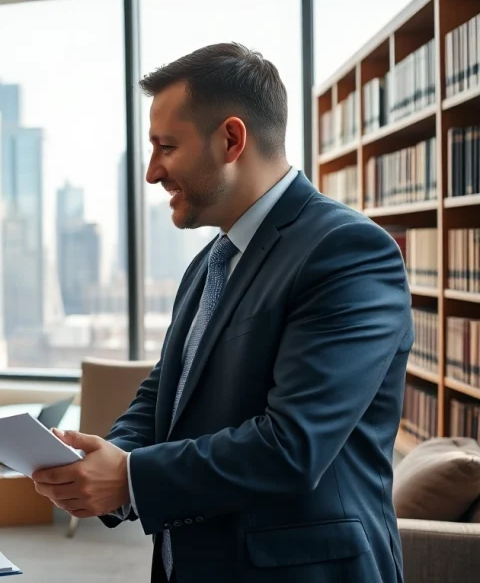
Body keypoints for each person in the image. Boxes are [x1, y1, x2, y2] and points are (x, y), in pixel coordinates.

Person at [32, 42, 412, 583]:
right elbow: (166, 394)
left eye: (166, 146)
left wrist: (131, 477)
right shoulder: (210, 263)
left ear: (232, 139)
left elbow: (293, 445)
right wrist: (110, 455)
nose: (152, 172)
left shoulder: (349, 251)